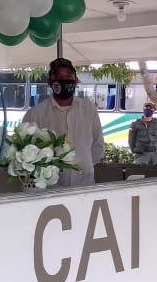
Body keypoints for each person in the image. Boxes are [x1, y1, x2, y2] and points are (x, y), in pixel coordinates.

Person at [21, 57, 105, 186]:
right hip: (50, 190)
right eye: (58, 76)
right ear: (49, 82)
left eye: (68, 76)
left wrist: (82, 165)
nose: (64, 80)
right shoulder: (35, 114)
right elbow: (26, 151)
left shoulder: (89, 110)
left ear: (76, 80)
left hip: (85, 186)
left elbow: (97, 146)